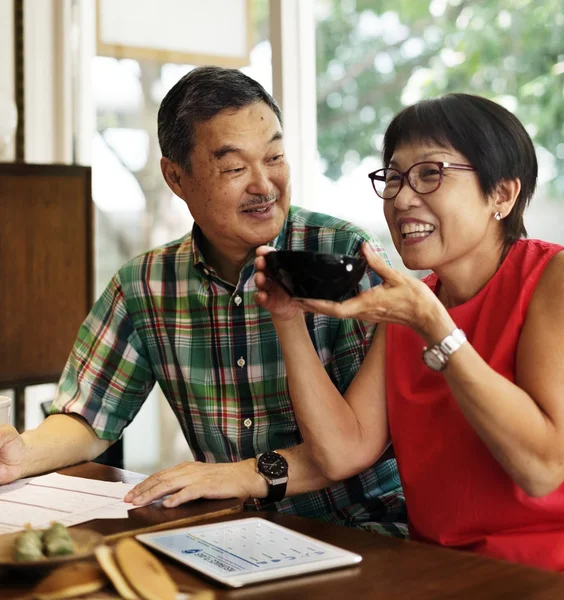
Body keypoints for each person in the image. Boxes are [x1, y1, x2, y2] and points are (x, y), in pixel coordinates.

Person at [0, 66, 406, 536]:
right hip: (232, 535)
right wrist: (21, 455)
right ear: (176, 177)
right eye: (234, 168)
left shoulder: (343, 257)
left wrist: (235, 474)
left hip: (366, 532)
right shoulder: (145, 285)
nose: (263, 185)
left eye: (274, 157)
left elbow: (364, 443)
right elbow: (89, 418)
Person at [254, 93, 564, 571]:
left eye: (429, 174)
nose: (401, 198)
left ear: (501, 194)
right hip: (433, 571)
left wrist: (434, 325)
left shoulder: (550, 279)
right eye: (394, 177)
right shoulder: (415, 304)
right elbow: (344, 450)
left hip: (537, 576)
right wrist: (287, 317)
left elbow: (542, 470)